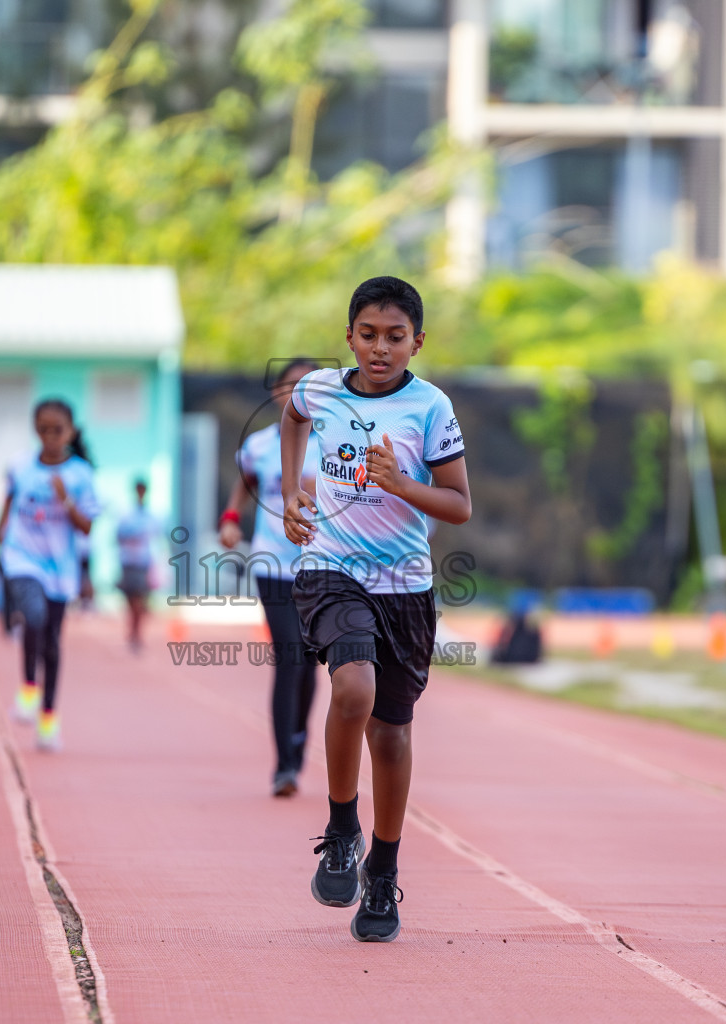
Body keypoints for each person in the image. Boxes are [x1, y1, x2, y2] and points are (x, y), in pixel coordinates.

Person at [281, 276, 471, 943]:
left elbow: (459, 505)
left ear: (417, 342)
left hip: (405, 587)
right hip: (332, 570)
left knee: (390, 735)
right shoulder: (321, 389)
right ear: (349, 337)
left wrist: (402, 485)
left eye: (395, 337)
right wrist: (292, 491)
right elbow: (292, 416)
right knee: (352, 688)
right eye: (368, 335)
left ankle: (383, 872)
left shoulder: (431, 407)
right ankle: (341, 829)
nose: (380, 348)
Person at [220, 357, 324, 797]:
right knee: (289, 657)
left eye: (308, 386)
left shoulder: (336, 443)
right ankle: (284, 765)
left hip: (322, 566)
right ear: (277, 393)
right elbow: (245, 480)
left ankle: (297, 740)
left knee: (310, 662)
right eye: (290, 385)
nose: (298, 393)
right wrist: (230, 517)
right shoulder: (260, 445)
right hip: (272, 565)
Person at [0, 398, 99, 752]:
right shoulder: (21, 465)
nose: (50, 437)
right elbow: (10, 497)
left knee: (52, 644)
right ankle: (27, 689)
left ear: (71, 432)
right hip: (22, 556)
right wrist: (0, 528)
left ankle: (49, 719)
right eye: (43, 430)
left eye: (57, 430)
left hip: (60, 567)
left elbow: (86, 527)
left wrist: (65, 499)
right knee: (33, 614)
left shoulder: (80, 474)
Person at [115, 479, 157, 653]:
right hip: (128, 561)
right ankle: (132, 631)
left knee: (140, 599)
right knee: (130, 600)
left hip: (142, 562)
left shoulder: (151, 515)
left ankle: (136, 633)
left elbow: (154, 537)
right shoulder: (127, 514)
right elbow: (118, 536)